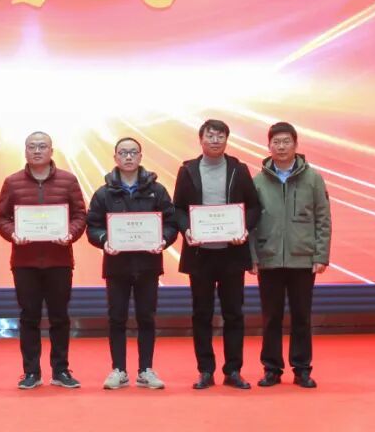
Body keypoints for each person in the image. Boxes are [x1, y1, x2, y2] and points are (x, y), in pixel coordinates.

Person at [0, 131, 87, 389]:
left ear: (51, 151)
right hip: (25, 262)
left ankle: (61, 370)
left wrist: (70, 234)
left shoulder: (68, 180)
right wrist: (13, 234)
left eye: (42, 146)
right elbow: (1, 218)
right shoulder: (12, 182)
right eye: (32, 147)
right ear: (25, 151)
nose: (37, 151)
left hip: (59, 261)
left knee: (60, 317)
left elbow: (80, 215)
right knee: (29, 318)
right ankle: (31, 372)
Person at [173, 119, 261, 390]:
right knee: (202, 314)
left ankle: (233, 370)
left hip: (231, 254)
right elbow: (178, 208)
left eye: (220, 136)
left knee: (234, 313)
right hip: (200, 255)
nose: (215, 140)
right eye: (210, 136)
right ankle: (205, 370)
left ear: (226, 140)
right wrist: (187, 229)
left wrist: (243, 228)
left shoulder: (238, 169)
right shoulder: (187, 170)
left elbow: (254, 207)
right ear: (201, 139)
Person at [86, 137, 179, 390]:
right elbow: (93, 227)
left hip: (148, 265)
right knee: (116, 318)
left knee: (146, 317)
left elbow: (171, 223)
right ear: (115, 157)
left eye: (133, 152)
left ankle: (145, 370)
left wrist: (163, 239)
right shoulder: (104, 193)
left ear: (140, 156)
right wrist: (105, 240)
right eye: (123, 152)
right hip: (116, 266)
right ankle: (118, 369)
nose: (128, 157)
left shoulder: (157, 190)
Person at [251, 122, 332, 389]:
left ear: (296, 145)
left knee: (301, 316)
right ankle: (271, 369)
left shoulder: (313, 178)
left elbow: (323, 218)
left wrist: (320, 255)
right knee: (270, 317)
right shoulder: (258, 181)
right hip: (269, 258)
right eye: (276, 142)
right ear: (269, 146)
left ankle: (302, 368)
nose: (281, 147)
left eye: (286, 141)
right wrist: (252, 256)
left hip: (302, 259)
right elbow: (250, 222)